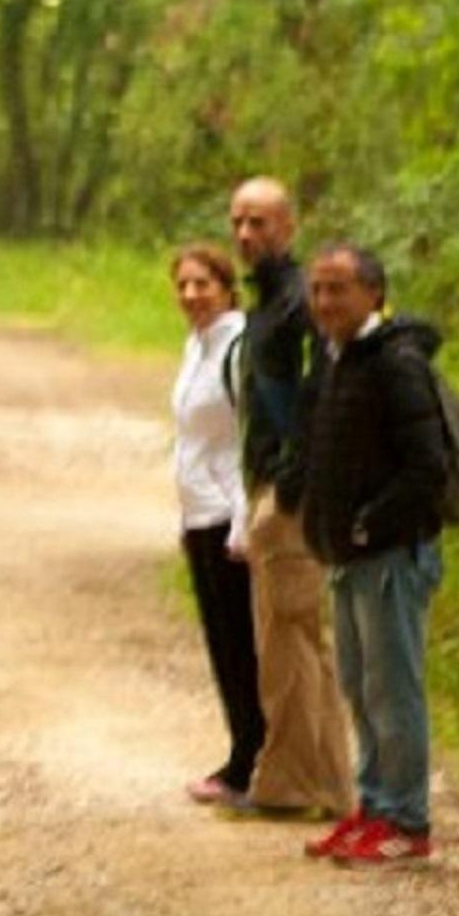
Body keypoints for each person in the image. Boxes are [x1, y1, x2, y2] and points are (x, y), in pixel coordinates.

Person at [297, 243, 451, 867]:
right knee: (361, 688)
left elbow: (426, 468)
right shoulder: (341, 359)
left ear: (373, 294)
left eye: (339, 289)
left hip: (391, 557)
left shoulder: (396, 362)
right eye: (318, 289)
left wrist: (367, 525)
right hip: (350, 556)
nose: (326, 301)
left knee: (394, 691)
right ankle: (373, 808)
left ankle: (407, 822)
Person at [228, 177, 355, 817]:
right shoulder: (271, 300)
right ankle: (317, 785)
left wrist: (294, 478)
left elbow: (325, 389)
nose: (248, 235)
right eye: (239, 223)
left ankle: (300, 786)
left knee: (292, 639)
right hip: (273, 484)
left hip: (292, 494)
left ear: (289, 226)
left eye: (260, 223)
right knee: (291, 637)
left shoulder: (301, 302)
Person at [167, 242, 263, 806]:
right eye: (182, 285)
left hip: (231, 515)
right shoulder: (196, 346)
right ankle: (239, 754)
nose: (191, 295)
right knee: (221, 646)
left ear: (227, 288)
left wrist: (245, 521)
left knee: (243, 645)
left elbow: (248, 439)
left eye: (202, 283)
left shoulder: (238, 347)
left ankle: (252, 760)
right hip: (198, 512)